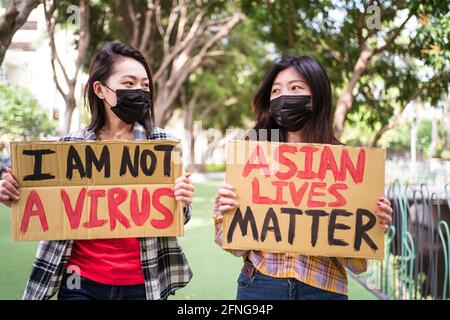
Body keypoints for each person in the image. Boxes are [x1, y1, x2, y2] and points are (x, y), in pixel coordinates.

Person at [0, 42, 194, 300]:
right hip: (80, 281)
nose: (140, 91)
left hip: (142, 283)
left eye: (145, 86)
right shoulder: (70, 147)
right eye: (128, 84)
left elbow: (181, 216)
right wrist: (14, 193)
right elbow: (45, 204)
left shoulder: (163, 145)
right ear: (100, 90)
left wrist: (182, 199)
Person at [213, 55, 393, 300]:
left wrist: (372, 223)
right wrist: (225, 211)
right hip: (260, 285)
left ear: (316, 96)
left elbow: (358, 264)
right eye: (276, 91)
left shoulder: (345, 164)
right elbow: (231, 244)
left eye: (295, 88)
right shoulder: (252, 155)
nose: (283, 97)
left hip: (323, 289)